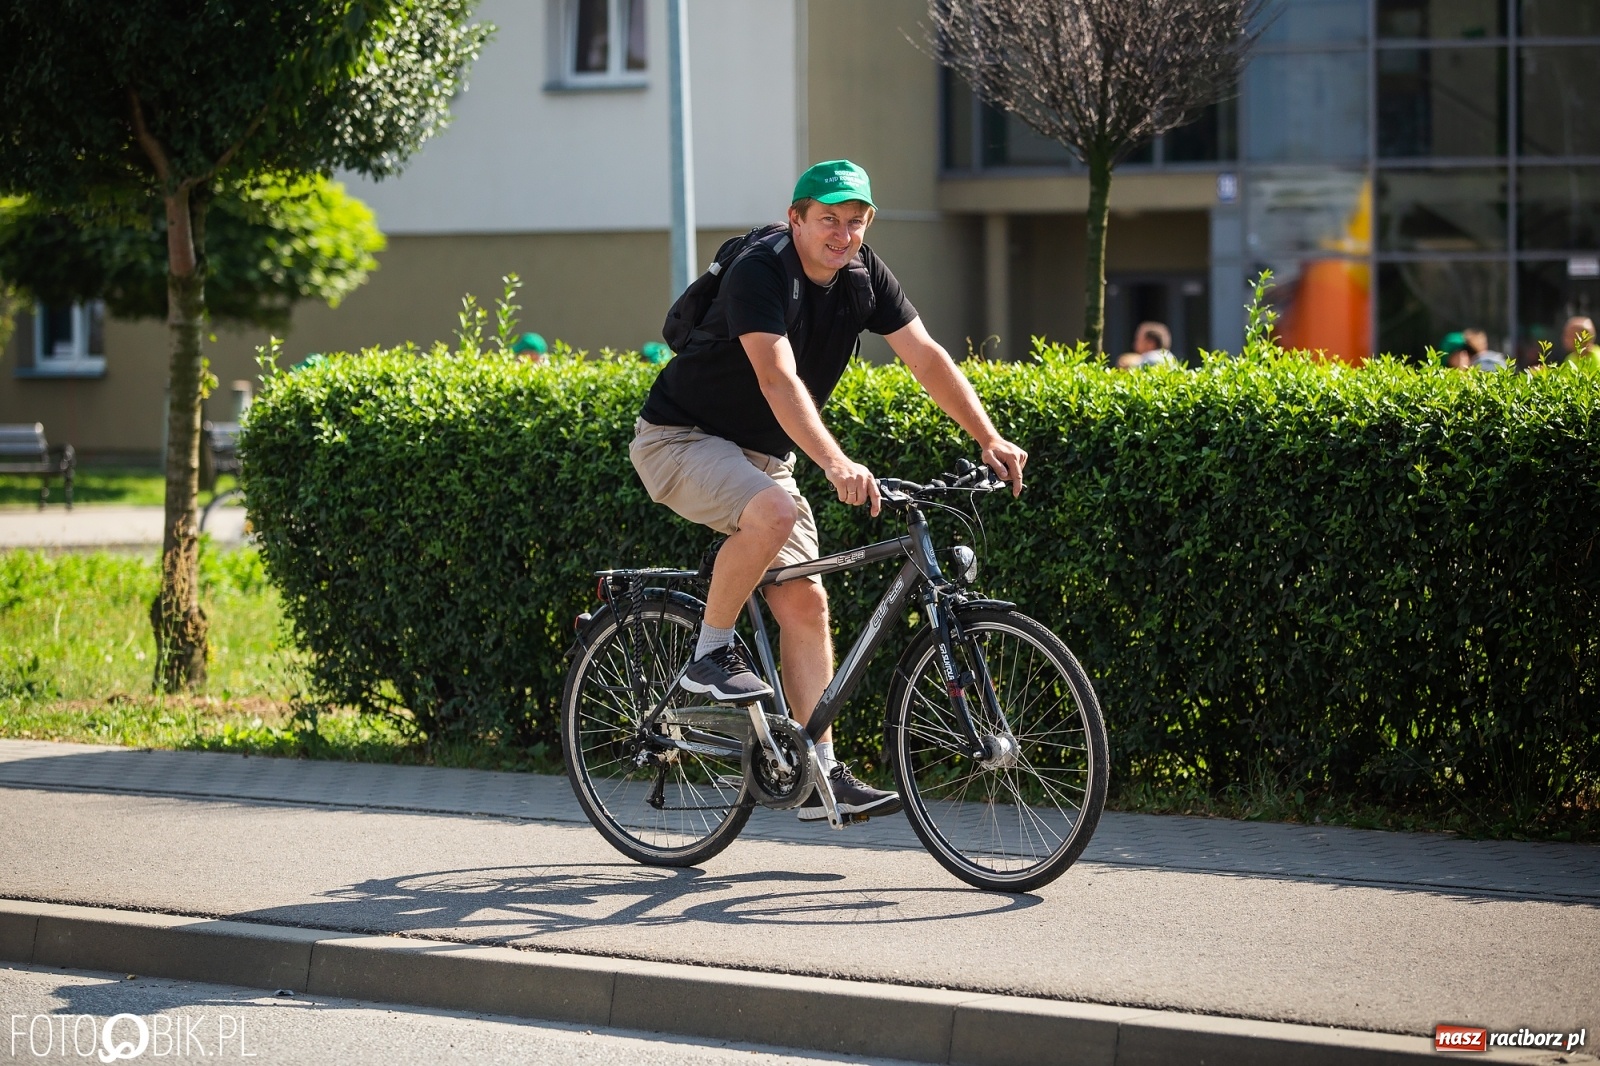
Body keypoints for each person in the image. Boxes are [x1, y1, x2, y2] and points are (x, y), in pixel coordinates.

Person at [629, 159, 1028, 822]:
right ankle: (708, 654)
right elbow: (777, 378)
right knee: (774, 510)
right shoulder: (762, 270)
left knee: (807, 603)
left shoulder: (864, 276)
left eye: (856, 221)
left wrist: (989, 437)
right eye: (828, 220)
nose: (843, 235)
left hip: (761, 455)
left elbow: (925, 355)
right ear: (797, 219)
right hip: (679, 438)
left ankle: (819, 773)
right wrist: (837, 463)